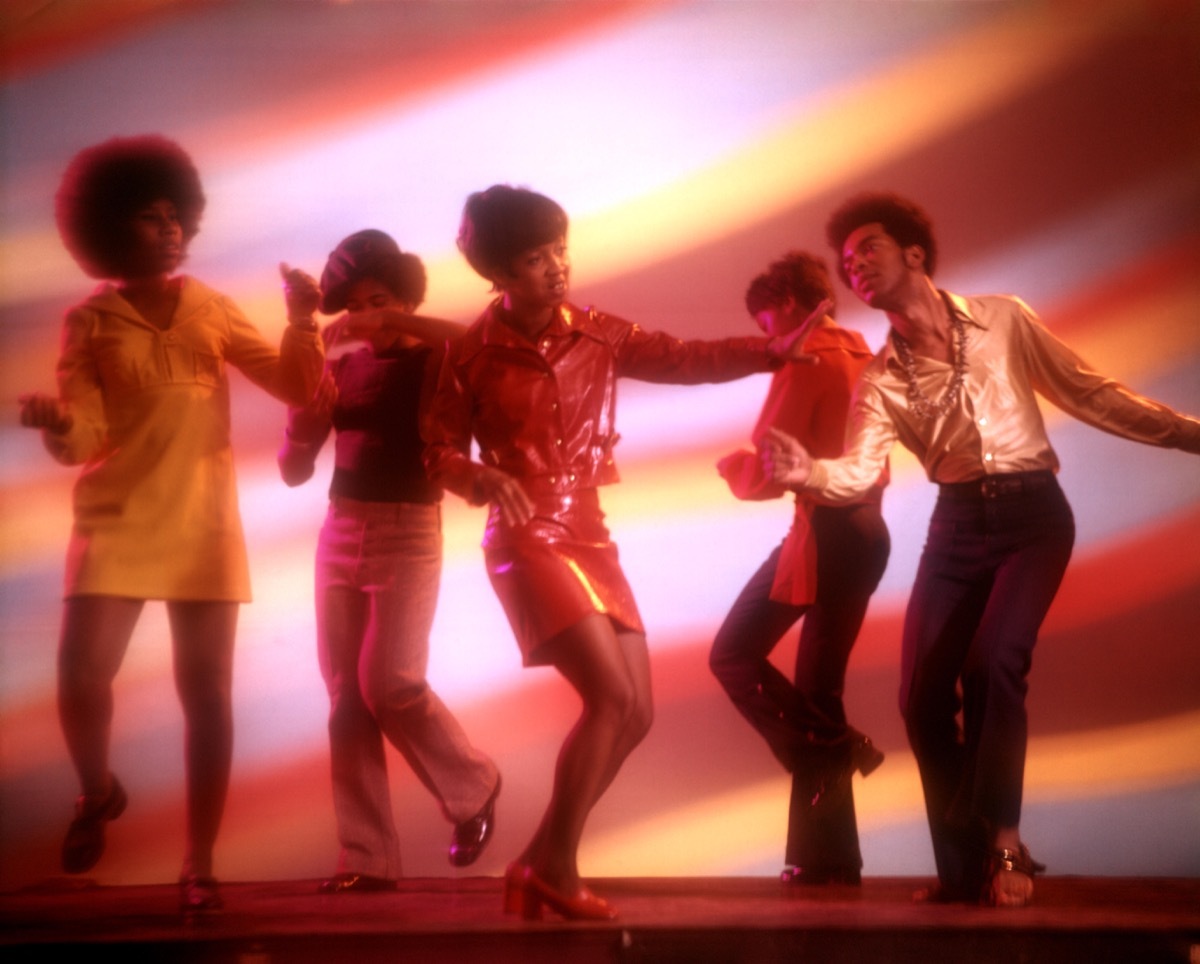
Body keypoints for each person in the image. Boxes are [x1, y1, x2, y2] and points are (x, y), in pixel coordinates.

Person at [762, 191, 1200, 908]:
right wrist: (806, 473)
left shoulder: (1005, 318)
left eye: (867, 247)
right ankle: (964, 872)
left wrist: (1190, 433)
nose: (855, 266)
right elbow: (857, 470)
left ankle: (1004, 840)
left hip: (1034, 518)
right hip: (956, 526)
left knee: (994, 663)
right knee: (920, 698)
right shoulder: (882, 379)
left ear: (914, 252)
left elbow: (1092, 394)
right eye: (846, 262)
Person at [423, 185, 819, 921]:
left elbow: (682, 357)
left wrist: (769, 352)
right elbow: (435, 452)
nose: (556, 267)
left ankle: (534, 862)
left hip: (589, 531)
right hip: (524, 534)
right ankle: (560, 868)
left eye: (559, 250)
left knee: (636, 713)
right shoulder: (467, 353)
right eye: (535, 258)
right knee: (609, 698)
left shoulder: (599, 332)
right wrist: (476, 474)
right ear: (501, 275)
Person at [17, 135, 324, 911]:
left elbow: (295, 386)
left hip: (202, 522)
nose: (169, 232)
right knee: (82, 676)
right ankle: (97, 792)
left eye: (175, 218)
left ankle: (200, 862)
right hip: (117, 516)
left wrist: (303, 322)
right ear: (110, 231)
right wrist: (59, 422)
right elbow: (86, 438)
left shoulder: (214, 309)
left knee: (207, 697)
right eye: (150, 219)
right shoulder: (90, 324)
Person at [277, 229, 501, 894]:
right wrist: (303, 421)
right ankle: (366, 857)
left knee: (392, 684)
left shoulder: (437, 358)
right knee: (346, 696)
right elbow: (292, 471)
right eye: (353, 305)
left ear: (404, 297)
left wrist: (392, 319)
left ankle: (474, 784)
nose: (363, 317)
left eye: (379, 301)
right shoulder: (339, 359)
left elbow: (475, 340)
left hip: (409, 528)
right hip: (341, 527)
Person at [709, 251, 890, 887]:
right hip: (868, 532)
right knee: (819, 692)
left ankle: (837, 755)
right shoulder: (867, 356)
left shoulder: (805, 357)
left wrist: (731, 467)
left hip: (826, 534)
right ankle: (829, 860)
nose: (768, 340)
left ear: (788, 301)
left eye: (766, 324)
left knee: (732, 654)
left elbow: (766, 465)